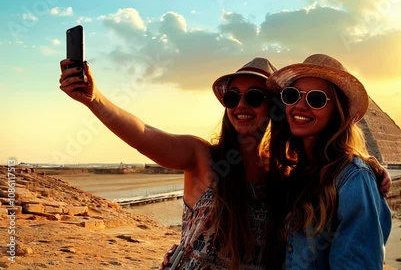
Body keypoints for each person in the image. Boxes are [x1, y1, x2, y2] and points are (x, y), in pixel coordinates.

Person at [59, 57, 278, 269]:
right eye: (232, 97)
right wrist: (95, 99)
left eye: (254, 97)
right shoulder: (202, 157)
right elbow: (144, 134)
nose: (241, 105)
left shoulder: (284, 175)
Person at [265, 54, 392, 269]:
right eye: (292, 95)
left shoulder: (354, 179)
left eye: (316, 99)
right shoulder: (293, 174)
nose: (300, 106)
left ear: (337, 112)